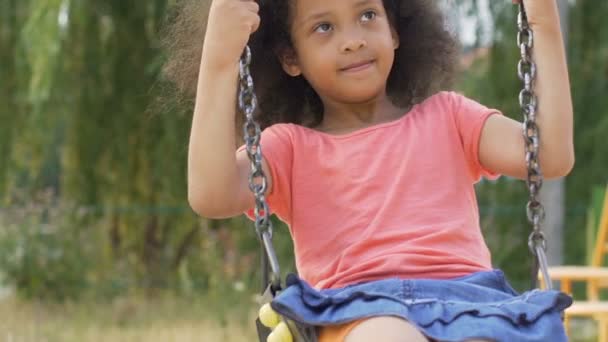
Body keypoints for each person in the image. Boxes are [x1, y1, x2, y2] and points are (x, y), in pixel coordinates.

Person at [165, 0, 575, 340]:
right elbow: (211, 194)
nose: (354, 40)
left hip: (473, 304)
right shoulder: (288, 148)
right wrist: (220, 59)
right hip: (357, 311)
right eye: (324, 28)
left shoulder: (450, 117)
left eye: (367, 16)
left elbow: (549, 156)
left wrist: (543, 24)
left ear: (395, 30)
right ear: (291, 57)